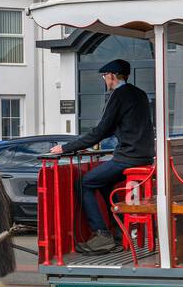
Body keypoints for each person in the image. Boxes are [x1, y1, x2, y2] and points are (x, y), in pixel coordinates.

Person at [50, 59, 155, 253]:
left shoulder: (117, 95)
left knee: (84, 183)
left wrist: (65, 148)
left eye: (105, 76)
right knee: (103, 183)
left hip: (128, 157)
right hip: (145, 156)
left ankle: (102, 234)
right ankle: (119, 228)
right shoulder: (138, 94)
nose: (105, 79)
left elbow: (101, 130)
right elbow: (112, 128)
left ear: (112, 76)